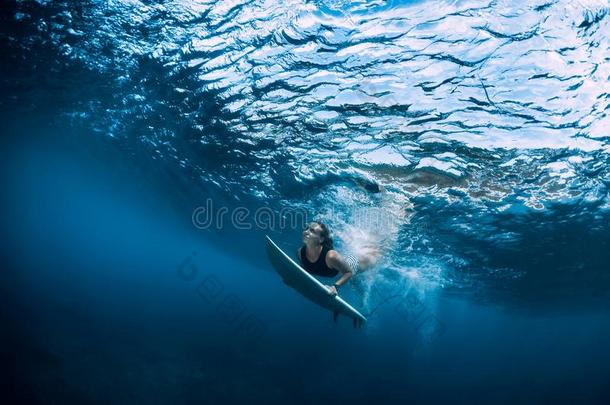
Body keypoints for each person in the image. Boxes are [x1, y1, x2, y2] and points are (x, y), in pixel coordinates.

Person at [298, 221, 378, 297]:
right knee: (355, 280)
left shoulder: (331, 256)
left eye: (312, 231)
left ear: (321, 239)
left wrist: (335, 286)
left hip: (350, 264)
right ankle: (356, 280)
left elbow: (349, 272)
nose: (306, 232)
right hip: (338, 266)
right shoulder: (300, 253)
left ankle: (377, 248)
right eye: (306, 229)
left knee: (367, 261)